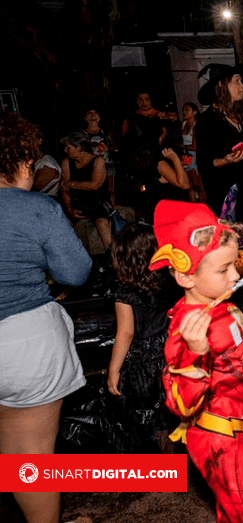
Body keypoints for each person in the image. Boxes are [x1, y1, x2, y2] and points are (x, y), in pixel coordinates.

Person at [150, 200, 243, 522]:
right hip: (218, 437)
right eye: (223, 270)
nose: (235, 275)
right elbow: (180, 404)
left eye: (234, 265)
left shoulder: (219, 303)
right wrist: (195, 352)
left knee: (240, 504)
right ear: (185, 277)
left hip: (239, 426)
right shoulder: (188, 330)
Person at [0, 113, 91, 523]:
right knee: (28, 456)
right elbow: (75, 271)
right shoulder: (35, 208)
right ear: (20, 162)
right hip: (24, 344)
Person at [107, 223, 177, 451]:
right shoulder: (170, 280)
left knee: (147, 411)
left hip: (144, 361)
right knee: (170, 406)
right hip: (171, 351)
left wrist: (113, 370)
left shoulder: (124, 292)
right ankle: (176, 454)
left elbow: (125, 333)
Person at [195, 62, 243, 225]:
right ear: (223, 86)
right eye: (237, 81)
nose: (242, 86)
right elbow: (203, 164)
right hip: (226, 194)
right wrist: (224, 161)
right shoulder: (206, 121)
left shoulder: (242, 114)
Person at [61, 131, 113, 249]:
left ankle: (113, 259)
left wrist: (71, 184)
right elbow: (64, 189)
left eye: (68, 147)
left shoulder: (98, 161)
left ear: (79, 147)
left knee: (102, 223)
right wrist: (69, 209)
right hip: (77, 205)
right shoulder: (66, 162)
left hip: (97, 205)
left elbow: (94, 185)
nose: (65, 150)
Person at [181, 102, 207, 202]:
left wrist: (182, 146)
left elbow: (195, 147)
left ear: (194, 112)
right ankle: (193, 208)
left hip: (193, 156)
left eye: (187, 110)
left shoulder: (196, 126)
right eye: (183, 110)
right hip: (185, 155)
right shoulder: (184, 124)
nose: (184, 112)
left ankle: (204, 207)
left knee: (197, 184)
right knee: (189, 185)